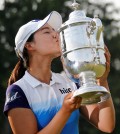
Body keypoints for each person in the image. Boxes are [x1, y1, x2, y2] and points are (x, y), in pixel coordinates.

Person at [3, 11, 115, 134]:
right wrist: (65, 111)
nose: (56, 34)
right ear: (29, 46)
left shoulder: (69, 81)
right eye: (47, 31)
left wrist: (102, 81)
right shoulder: (18, 91)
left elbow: (106, 125)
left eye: (54, 30)